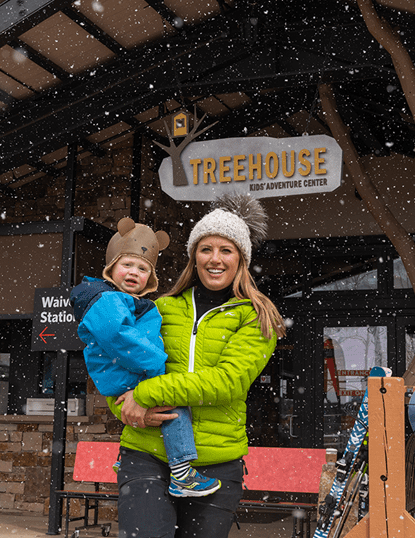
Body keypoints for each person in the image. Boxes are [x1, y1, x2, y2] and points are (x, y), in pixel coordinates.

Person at [113, 194, 287, 538]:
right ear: (194, 257)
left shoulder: (256, 317)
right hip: (147, 452)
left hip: (216, 461)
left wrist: (145, 394)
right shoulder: (161, 308)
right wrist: (125, 409)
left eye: (226, 250)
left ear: (241, 259)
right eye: (206, 249)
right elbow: (118, 363)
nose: (215, 259)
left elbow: (226, 382)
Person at [70, 217, 222, 498]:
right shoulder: (106, 300)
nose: (134, 272)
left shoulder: (123, 301)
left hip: (129, 370)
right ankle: (182, 474)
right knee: (174, 407)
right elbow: (120, 338)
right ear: (110, 268)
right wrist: (155, 364)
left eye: (142, 269)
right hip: (132, 370)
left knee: (159, 411)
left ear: (150, 279)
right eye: (127, 265)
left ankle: (128, 459)